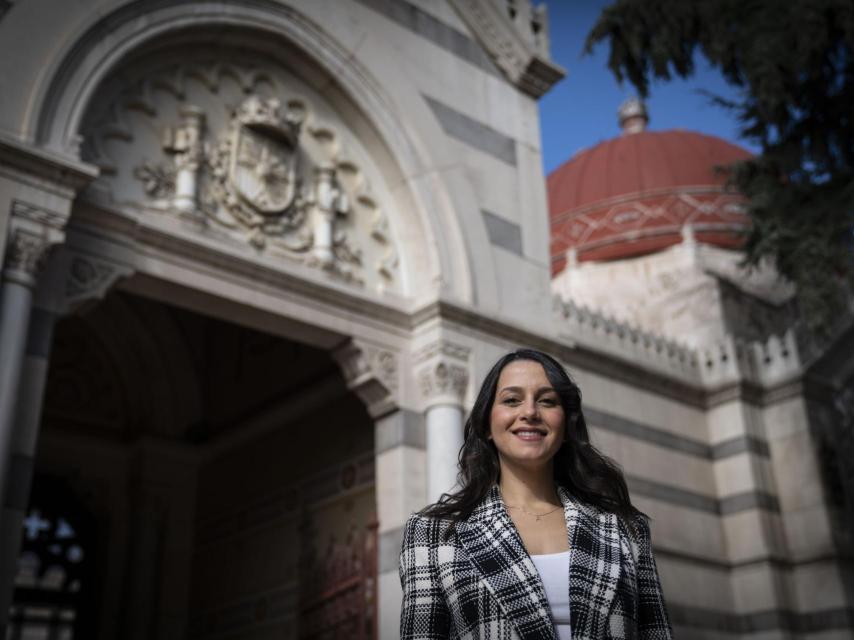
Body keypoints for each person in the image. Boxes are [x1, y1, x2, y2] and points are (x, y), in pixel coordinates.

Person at [399, 348, 672, 640]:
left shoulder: (625, 530)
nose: (529, 412)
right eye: (512, 400)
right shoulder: (433, 533)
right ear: (487, 424)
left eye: (547, 401)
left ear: (566, 424)